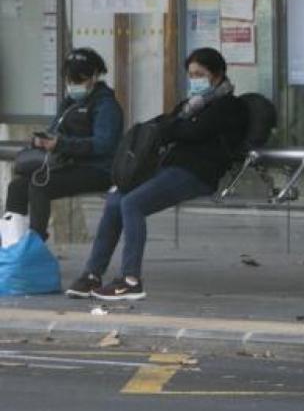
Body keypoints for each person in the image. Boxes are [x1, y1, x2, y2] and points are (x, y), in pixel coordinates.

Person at [67, 48, 247, 301]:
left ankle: (131, 280)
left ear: (217, 75)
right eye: (191, 74)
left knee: (132, 204)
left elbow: (189, 132)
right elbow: (163, 125)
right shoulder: (191, 105)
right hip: (167, 167)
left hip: (197, 173)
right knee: (116, 200)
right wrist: (173, 127)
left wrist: (172, 128)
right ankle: (92, 274)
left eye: (200, 74)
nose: (194, 79)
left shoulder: (229, 106)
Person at [3, 48, 122, 241]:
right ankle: (12, 245)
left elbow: (104, 144)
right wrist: (43, 141)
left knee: (40, 185)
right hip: (67, 164)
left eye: (79, 80)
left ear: (94, 77)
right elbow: (55, 131)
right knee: (17, 187)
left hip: (97, 169)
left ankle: (35, 242)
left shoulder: (106, 105)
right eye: (69, 80)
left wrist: (62, 144)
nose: (73, 85)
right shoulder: (68, 104)